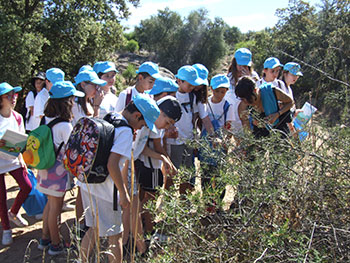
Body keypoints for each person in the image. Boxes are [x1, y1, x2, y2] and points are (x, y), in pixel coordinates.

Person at [79, 94, 160, 263]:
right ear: (137, 116)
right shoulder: (125, 132)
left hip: (88, 182)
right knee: (116, 236)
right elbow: (113, 164)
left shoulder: (110, 116)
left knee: (93, 228)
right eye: (142, 124)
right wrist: (123, 194)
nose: (140, 129)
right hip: (106, 190)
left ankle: (82, 260)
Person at [36, 81, 85, 255]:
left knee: (50, 204)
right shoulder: (65, 126)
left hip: (44, 169)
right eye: (72, 100)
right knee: (56, 207)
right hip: (57, 172)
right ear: (67, 102)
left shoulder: (44, 118)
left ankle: (45, 238)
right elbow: (72, 150)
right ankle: (56, 244)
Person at [0, 83, 32, 246]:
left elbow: (19, 140)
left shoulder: (18, 117)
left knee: (27, 186)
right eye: (8, 95)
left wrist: (21, 158)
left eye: (15, 95)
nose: (13, 98)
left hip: (12, 159)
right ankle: (6, 230)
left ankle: (13, 212)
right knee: (1, 198)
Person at [200, 74, 235, 211]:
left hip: (221, 147)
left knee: (220, 178)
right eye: (217, 91)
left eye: (223, 91)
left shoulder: (228, 106)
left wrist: (225, 144)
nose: (220, 94)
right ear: (211, 89)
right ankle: (207, 205)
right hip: (206, 145)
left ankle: (219, 206)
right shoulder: (205, 104)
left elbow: (228, 128)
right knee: (205, 177)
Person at [167, 65, 202, 194]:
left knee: (187, 172)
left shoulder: (192, 97)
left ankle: (184, 200)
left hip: (188, 140)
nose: (192, 87)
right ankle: (169, 200)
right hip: (174, 141)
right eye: (189, 84)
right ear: (179, 81)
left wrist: (195, 136)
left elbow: (194, 117)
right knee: (172, 172)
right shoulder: (170, 95)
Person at [225, 48, 260, 134]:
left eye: (245, 66)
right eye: (240, 65)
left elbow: (258, 95)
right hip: (233, 116)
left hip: (248, 115)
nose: (242, 68)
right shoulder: (229, 78)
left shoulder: (254, 76)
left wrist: (249, 79)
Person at [280, 62, 304, 136]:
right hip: (280, 127)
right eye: (293, 75)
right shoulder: (280, 87)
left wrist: (295, 112)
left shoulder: (289, 89)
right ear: (284, 73)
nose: (295, 78)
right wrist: (292, 129)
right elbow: (283, 111)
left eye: (297, 76)